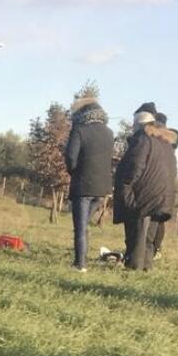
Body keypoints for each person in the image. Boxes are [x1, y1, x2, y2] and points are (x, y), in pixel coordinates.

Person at [113, 110, 178, 271]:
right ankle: (146, 269)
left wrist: (126, 189)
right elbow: (172, 171)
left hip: (143, 194)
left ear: (139, 125)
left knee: (137, 237)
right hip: (162, 195)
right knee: (148, 239)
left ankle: (133, 270)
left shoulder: (143, 139)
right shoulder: (166, 142)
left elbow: (135, 166)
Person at [64, 97, 114, 272]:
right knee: (84, 225)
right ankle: (81, 258)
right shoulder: (109, 133)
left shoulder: (79, 130)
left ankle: (80, 264)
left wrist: (74, 172)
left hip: (83, 185)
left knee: (80, 228)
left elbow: (71, 157)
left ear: (82, 114)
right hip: (102, 189)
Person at [148, 109, 178, 260]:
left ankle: (151, 248)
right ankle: (156, 248)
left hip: (156, 182)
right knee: (159, 220)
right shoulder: (171, 141)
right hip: (168, 184)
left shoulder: (158, 139)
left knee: (154, 219)